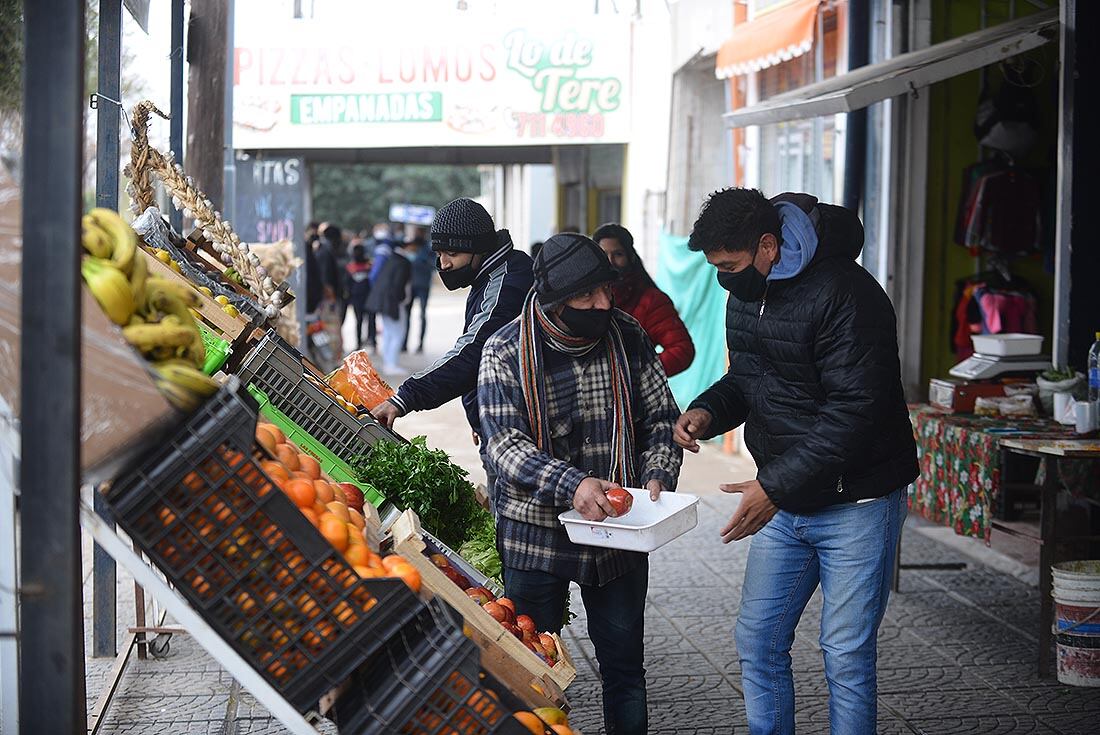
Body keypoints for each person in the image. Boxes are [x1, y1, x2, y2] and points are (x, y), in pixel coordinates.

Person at [673, 188, 919, 735]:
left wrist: (773, 487)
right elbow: (751, 379)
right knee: (758, 640)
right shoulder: (747, 291)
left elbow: (855, 412)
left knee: (846, 654)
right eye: (715, 267)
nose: (723, 279)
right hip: (786, 501)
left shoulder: (848, 294)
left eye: (730, 265)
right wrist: (707, 411)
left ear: (767, 245)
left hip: (858, 501)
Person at [477, 233, 683, 735]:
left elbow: (660, 417)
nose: (602, 305)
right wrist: (573, 485)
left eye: (606, 292)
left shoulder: (628, 334)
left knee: (625, 670)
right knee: (534, 675)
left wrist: (658, 469)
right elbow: (505, 446)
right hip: (535, 536)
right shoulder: (503, 351)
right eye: (586, 297)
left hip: (618, 532)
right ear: (553, 300)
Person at [370, 198, 533, 493]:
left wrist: (405, 397)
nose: (443, 264)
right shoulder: (492, 273)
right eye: (440, 253)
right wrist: (477, 410)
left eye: (452, 254)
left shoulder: (506, 284)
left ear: (479, 249)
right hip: (495, 421)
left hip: (517, 431)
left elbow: (474, 353)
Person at [593, 222, 695, 377]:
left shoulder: (651, 301)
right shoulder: (583, 297)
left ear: (630, 257)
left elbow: (682, 349)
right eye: (603, 254)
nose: (610, 261)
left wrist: (638, 375)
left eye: (618, 254)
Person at [365, 239, 413, 375]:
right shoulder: (403, 262)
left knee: (388, 332)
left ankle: (388, 362)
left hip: (383, 302)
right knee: (397, 333)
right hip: (394, 304)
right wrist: (402, 300)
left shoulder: (390, 259)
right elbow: (399, 285)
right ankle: (391, 364)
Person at [402, 226, 433, 354]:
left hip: (423, 285)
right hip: (412, 285)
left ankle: (420, 343)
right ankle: (404, 343)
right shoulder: (410, 246)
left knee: (422, 315)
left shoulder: (429, 248)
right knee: (406, 315)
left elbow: (434, 265)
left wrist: (420, 258)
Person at [345, 243, 373, 350]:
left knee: (359, 320)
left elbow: (347, 284)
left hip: (356, 297)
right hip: (368, 295)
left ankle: (359, 343)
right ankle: (372, 341)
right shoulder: (369, 266)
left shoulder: (350, 267)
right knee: (371, 319)